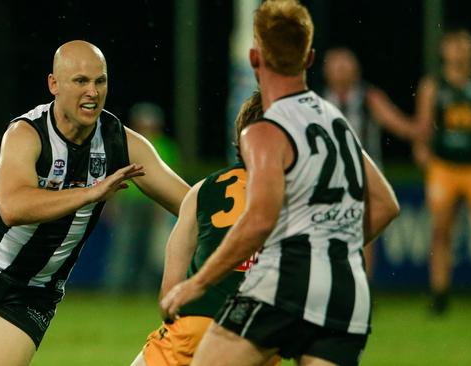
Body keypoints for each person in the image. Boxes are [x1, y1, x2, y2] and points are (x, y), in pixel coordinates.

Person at [0, 40, 190, 366]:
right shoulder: (26, 134)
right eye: (81, 81)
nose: (93, 92)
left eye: (100, 81)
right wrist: (89, 193)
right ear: (54, 84)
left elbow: (190, 204)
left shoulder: (121, 143)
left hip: (32, 292)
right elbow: (13, 208)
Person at [160, 1, 400, 366]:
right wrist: (332, 250)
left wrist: (196, 284)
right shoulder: (337, 123)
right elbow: (386, 205)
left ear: (255, 59)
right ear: (309, 58)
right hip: (345, 294)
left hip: (284, 285)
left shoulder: (265, 128)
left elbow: (258, 220)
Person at [131, 92, 280, 366]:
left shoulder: (202, 191)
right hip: (261, 337)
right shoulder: (301, 196)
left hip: (196, 328)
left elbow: (169, 293)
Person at [322, 47, 414, 279]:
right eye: (337, 66)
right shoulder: (319, 100)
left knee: (363, 233)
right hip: (329, 177)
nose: (342, 72)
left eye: (346, 65)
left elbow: (397, 124)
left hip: (364, 177)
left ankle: (361, 285)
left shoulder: (368, 97)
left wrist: (423, 135)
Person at [414, 28, 471, 315]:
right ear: (445, 51)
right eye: (455, 46)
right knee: (441, 231)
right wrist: (423, 154)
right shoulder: (434, 85)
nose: (460, 51)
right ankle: (440, 294)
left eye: (465, 46)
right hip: (444, 166)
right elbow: (424, 126)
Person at [106, 102, 181, 292]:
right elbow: (113, 174)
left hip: (155, 204)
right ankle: (115, 290)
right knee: (124, 247)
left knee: (150, 251)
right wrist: (112, 203)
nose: (147, 127)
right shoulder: (127, 141)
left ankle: (145, 291)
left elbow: (172, 177)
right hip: (129, 203)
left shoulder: (166, 146)